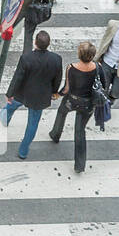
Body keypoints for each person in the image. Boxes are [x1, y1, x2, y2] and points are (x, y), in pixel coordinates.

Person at [0, 30, 64, 159]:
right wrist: (54, 92)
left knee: (11, 105)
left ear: (35, 42)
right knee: (32, 124)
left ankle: (4, 119)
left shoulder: (26, 58)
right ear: (48, 44)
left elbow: (18, 77)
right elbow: (58, 78)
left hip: (23, 92)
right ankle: (23, 151)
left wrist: (10, 93)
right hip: (40, 96)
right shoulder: (56, 59)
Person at [47, 41, 102, 174]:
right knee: (80, 131)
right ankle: (79, 165)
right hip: (88, 104)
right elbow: (103, 85)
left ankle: (55, 134)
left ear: (79, 54)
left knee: (61, 113)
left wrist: (57, 95)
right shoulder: (98, 67)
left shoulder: (71, 67)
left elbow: (66, 88)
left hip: (72, 100)